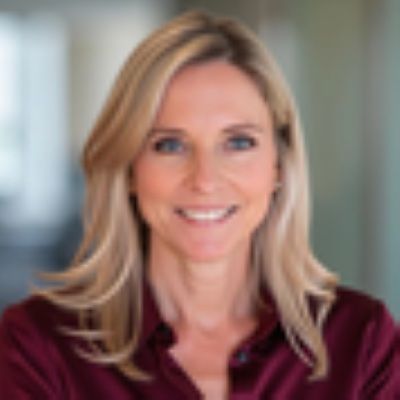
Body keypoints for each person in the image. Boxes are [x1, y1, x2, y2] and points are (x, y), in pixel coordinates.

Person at [0, 10, 397, 400]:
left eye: (238, 142)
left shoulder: (361, 343)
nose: (205, 180)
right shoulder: (37, 347)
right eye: (170, 145)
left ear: (279, 165)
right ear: (130, 169)